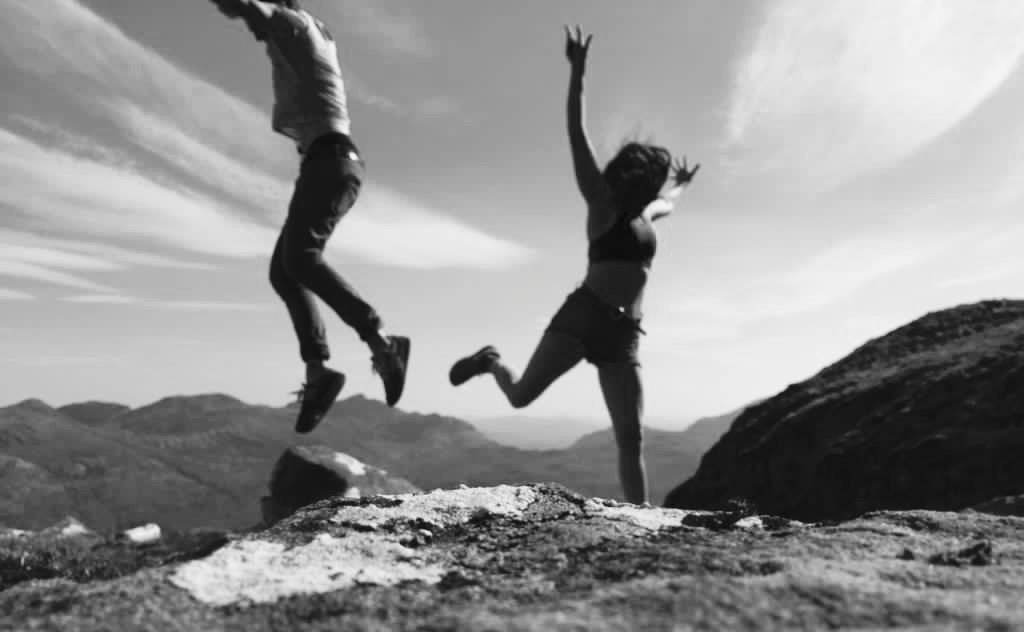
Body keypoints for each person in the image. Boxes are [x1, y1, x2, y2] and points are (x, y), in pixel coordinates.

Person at [448, 25, 699, 505]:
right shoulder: (601, 205)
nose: (657, 184)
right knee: (520, 396)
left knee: (632, 437)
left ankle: (640, 519)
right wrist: (577, 73)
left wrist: (684, 183)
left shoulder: (648, 214)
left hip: (625, 334)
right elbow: (575, 133)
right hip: (582, 317)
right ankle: (492, 362)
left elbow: (672, 200)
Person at [206, 0, 410, 434]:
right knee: (285, 272)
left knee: (299, 259)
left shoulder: (292, 23)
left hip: (331, 162)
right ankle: (319, 374)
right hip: (328, 162)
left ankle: (382, 342)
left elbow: (243, 8)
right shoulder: (312, 29)